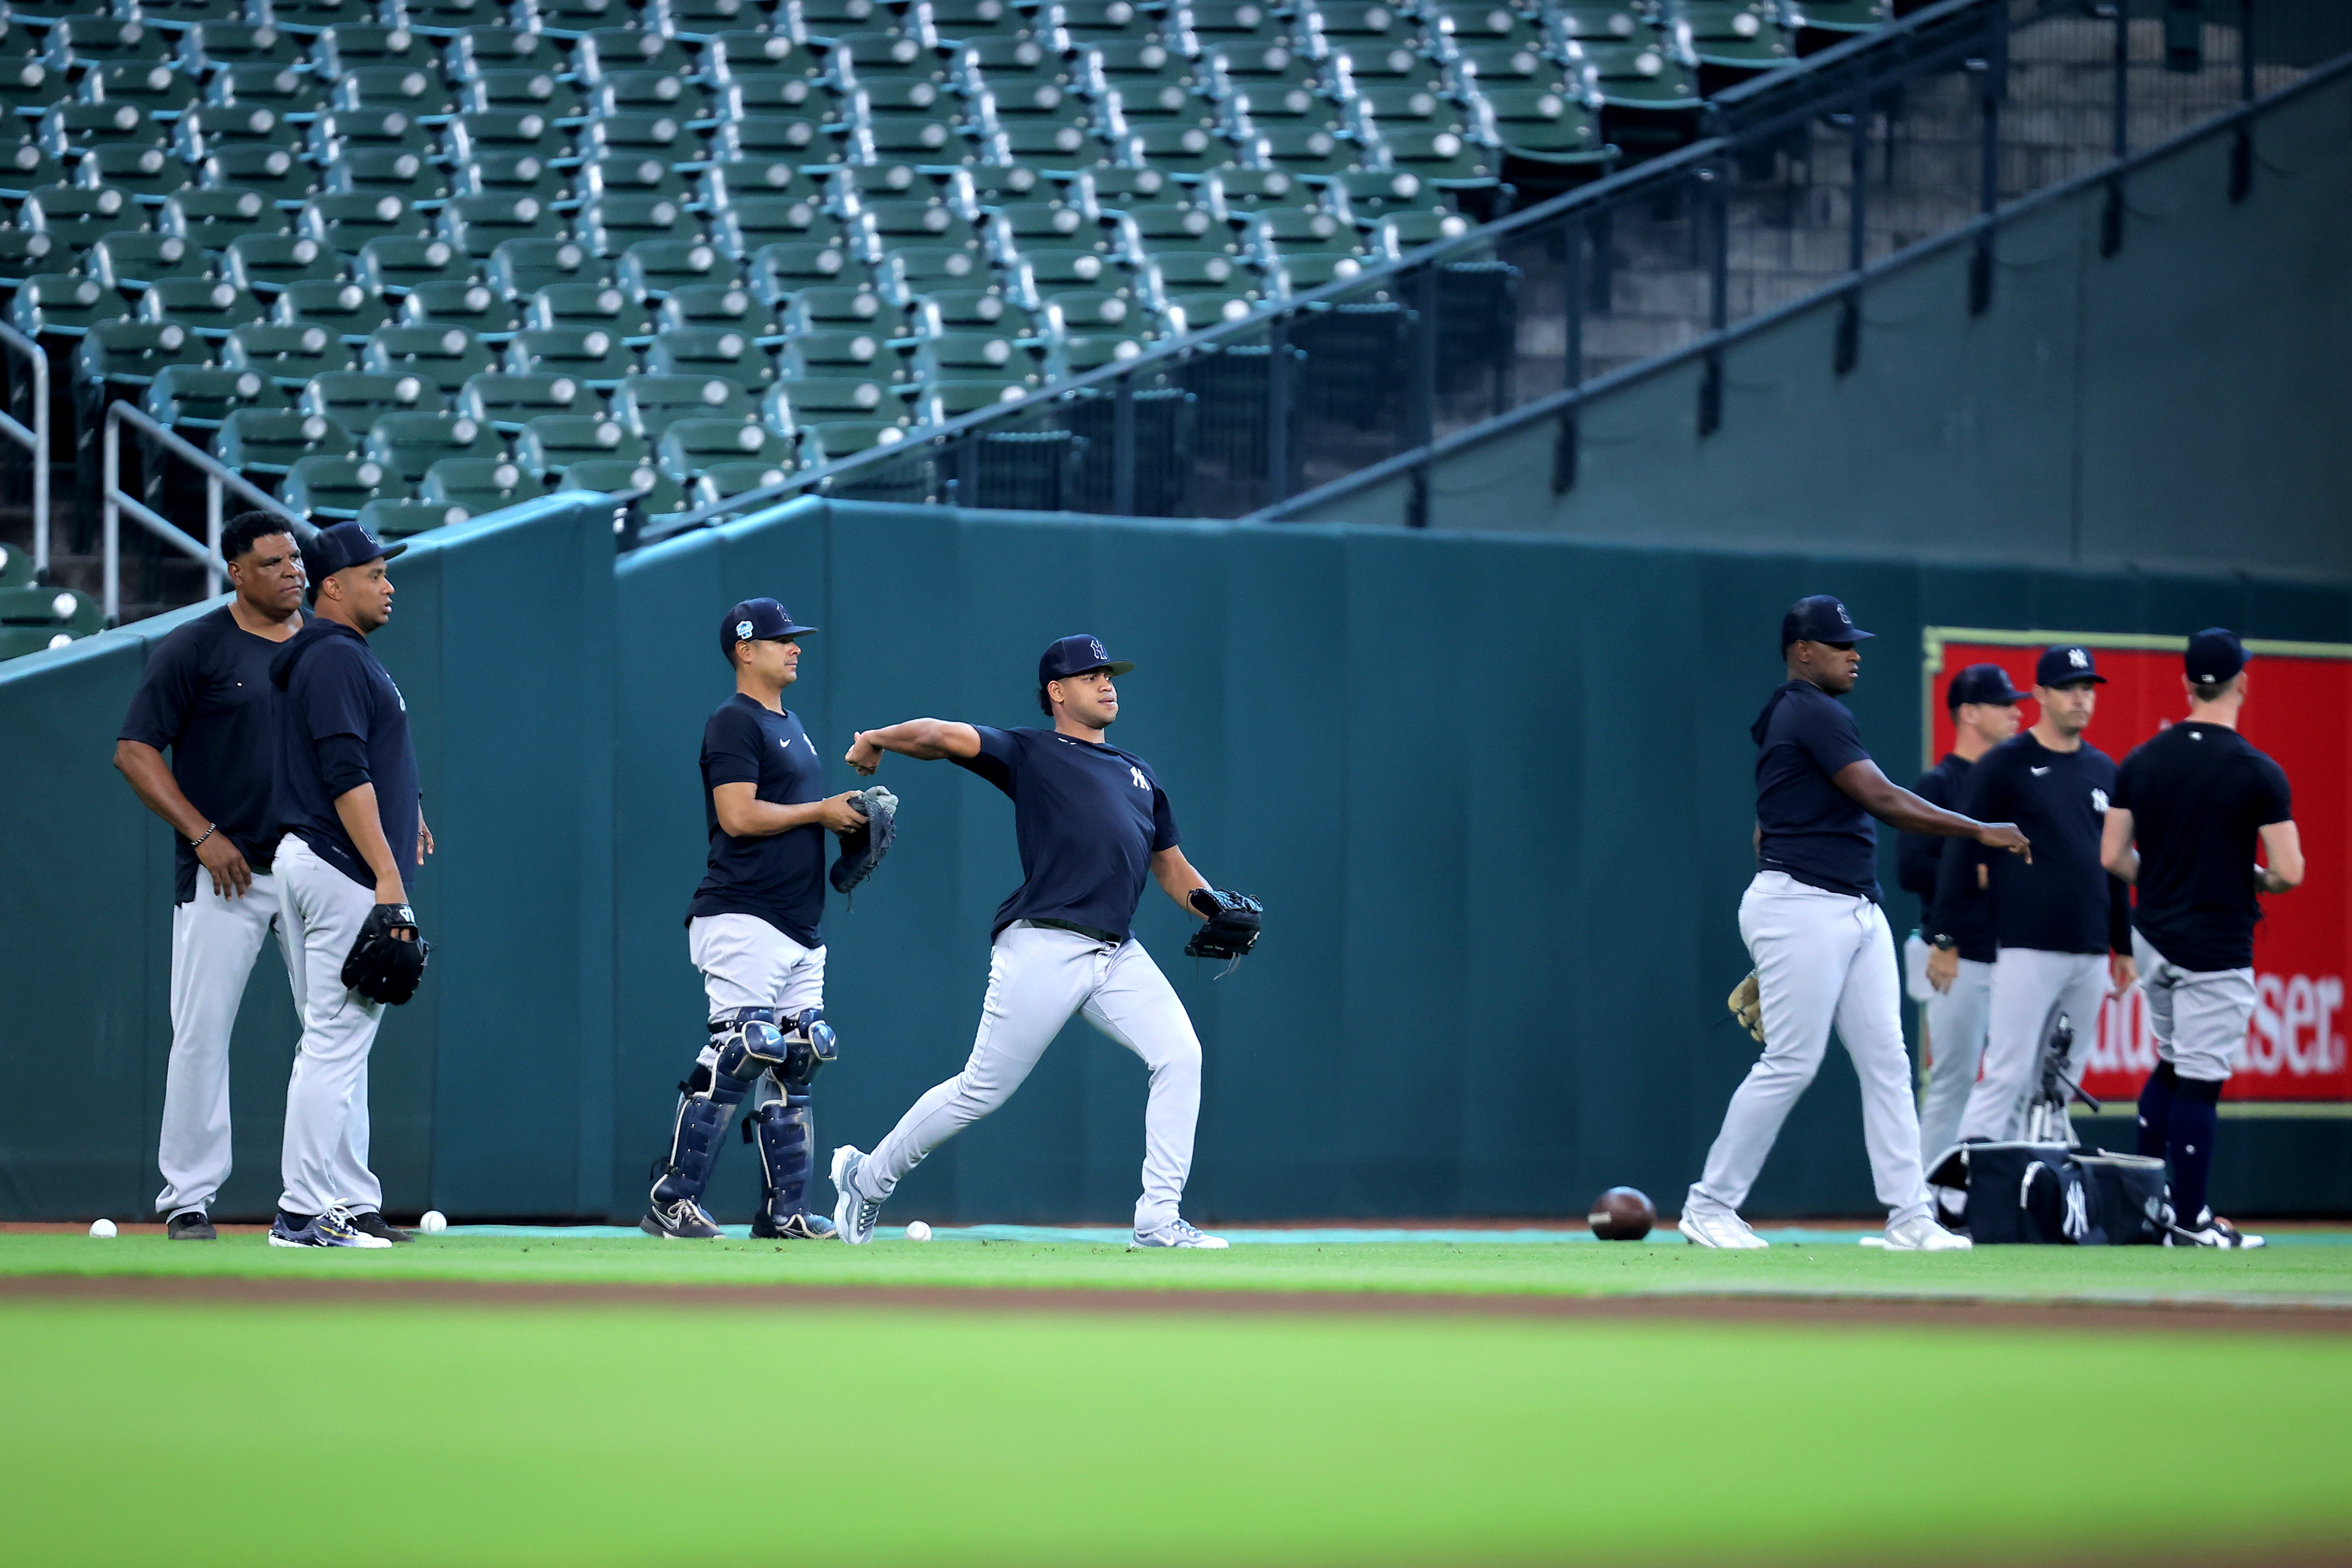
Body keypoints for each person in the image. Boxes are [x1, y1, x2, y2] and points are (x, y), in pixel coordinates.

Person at [828, 635, 1248, 1249]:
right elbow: (940, 736)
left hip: (1116, 952)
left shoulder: (1138, 775)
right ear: (1056, 691)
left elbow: (1171, 868)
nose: (1107, 683)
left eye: (1110, 675)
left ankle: (1158, 1219)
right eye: (1090, 675)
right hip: (1043, 944)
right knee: (980, 1090)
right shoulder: (1032, 751)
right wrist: (873, 739)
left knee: (1180, 1057)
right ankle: (866, 1178)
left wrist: (1211, 905)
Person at [1681, 597, 2026, 1251]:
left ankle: (1909, 1218)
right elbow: (1883, 799)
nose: (1854, 653)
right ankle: (1709, 1205)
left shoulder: (1800, 715)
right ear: (1801, 652)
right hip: (1804, 906)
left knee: (1888, 1065)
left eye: (1853, 643)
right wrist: (1979, 830)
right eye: (1839, 644)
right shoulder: (1809, 709)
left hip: (1846, 908)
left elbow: (1764, 827)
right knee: (1791, 1061)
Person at [640, 598, 873, 1241]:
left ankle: (784, 1213)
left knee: (798, 1055)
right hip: (741, 913)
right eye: (780, 640)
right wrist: (819, 812)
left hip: (798, 922)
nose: (795, 646)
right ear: (745, 650)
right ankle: (671, 1200)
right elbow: (738, 816)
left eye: (795, 638)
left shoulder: (791, 724)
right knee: (740, 1051)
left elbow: (799, 813)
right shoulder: (733, 722)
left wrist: (843, 820)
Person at [114, 511, 314, 1241]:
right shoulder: (196, 645)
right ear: (235, 571)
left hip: (311, 874)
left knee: (333, 1037)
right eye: (271, 562)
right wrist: (201, 833)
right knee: (200, 1034)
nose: (291, 571)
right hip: (224, 875)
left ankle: (335, 1196)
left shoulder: (325, 646)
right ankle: (188, 1197)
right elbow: (135, 750)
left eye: (295, 559)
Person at [2101, 628, 2301, 1249]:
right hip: (2214, 944)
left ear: (2186, 683)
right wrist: (2252, 879)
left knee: (2170, 1063)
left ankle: (2145, 1211)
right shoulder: (2255, 770)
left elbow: (2112, 856)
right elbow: (2289, 873)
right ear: (2241, 681)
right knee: (2199, 1081)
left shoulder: (2140, 759)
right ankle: (2189, 1221)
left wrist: (2163, 874)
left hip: (2154, 936)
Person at [265, 521, 430, 1249]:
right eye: (375, 573)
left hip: (323, 858)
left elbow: (362, 761)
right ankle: (301, 1212)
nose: (388, 584)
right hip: (342, 867)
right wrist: (388, 876)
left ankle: (338, 1202)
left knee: (336, 1045)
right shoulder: (334, 658)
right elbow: (343, 773)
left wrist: (408, 814)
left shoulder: (340, 657)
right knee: (334, 1044)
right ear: (334, 585)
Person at [1949, 646, 2135, 1145]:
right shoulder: (2004, 764)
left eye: (2086, 688)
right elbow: (1960, 849)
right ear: (2040, 695)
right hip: (2026, 945)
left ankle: (2044, 1198)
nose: (2080, 698)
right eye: (2068, 688)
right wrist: (1942, 935)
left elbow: (2113, 862)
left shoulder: (2103, 770)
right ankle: (1961, 1193)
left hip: (2091, 949)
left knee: (2059, 1081)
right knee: (2007, 1072)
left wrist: (2124, 945)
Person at [1899, 665, 2021, 1201]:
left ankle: (2002, 1197)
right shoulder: (1941, 783)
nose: (2016, 712)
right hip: (1955, 953)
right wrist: (1976, 872)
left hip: (2014, 954)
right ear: (1968, 713)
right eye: (2002, 704)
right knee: (1951, 1081)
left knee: (2013, 1084)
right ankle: (1926, 1200)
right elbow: (1909, 867)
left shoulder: (2012, 781)